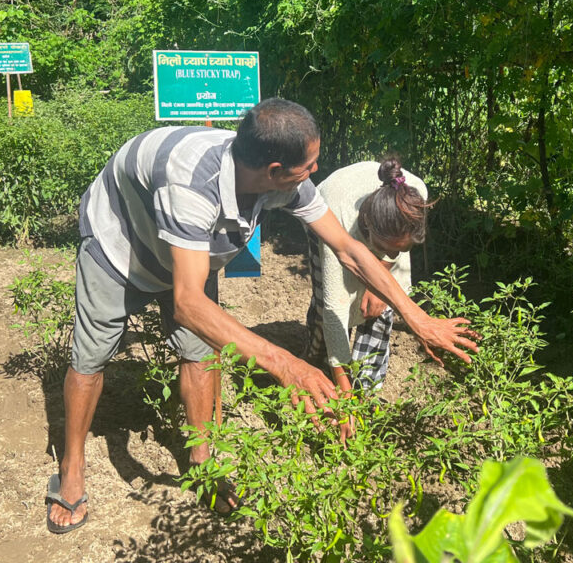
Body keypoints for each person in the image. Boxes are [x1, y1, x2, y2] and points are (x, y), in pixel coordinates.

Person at [46, 98, 479, 533]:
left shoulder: (280, 179)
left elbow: (349, 249)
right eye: (308, 165)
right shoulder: (190, 185)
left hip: (191, 255)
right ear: (273, 170)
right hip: (119, 247)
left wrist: (417, 317)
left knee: (200, 353)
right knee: (92, 357)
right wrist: (286, 364)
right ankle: (72, 466)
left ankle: (203, 463)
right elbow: (188, 303)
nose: (315, 171)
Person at [302, 159, 432, 393]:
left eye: (401, 249)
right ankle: (319, 363)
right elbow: (335, 309)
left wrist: (378, 284)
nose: (394, 255)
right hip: (326, 217)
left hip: (383, 223)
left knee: (381, 307)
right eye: (387, 248)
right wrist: (344, 394)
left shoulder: (415, 198)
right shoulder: (336, 215)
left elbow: (393, 251)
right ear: (369, 229)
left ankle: (368, 384)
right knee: (327, 305)